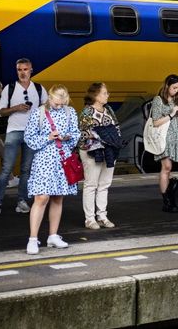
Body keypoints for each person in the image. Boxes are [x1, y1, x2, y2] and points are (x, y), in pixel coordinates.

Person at [23, 84, 80, 255]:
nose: (59, 106)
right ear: (50, 98)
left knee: (58, 197)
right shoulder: (38, 113)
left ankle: (53, 235)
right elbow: (29, 138)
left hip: (62, 158)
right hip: (43, 158)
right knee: (41, 197)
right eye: (56, 104)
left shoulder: (70, 112)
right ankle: (33, 239)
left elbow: (76, 133)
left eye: (62, 104)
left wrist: (68, 138)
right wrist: (48, 137)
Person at [0, 59, 47, 216]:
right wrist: (16, 108)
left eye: (25, 69)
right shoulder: (10, 88)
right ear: (16, 71)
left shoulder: (39, 89)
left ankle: (21, 201)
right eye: (19, 69)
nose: (22, 72)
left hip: (32, 133)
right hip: (14, 131)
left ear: (31, 70)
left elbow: (47, 111)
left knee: (26, 170)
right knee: (7, 168)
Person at [77, 82, 120, 229]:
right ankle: (89, 219)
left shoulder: (108, 109)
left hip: (109, 151)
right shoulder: (87, 112)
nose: (107, 95)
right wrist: (104, 138)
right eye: (104, 93)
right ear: (95, 95)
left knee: (104, 184)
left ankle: (102, 216)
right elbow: (83, 134)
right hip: (92, 152)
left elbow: (117, 127)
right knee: (91, 184)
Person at [150, 74, 178, 209]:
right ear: (167, 86)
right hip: (164, 137)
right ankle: (167, 201)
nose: (176, 90)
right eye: (174, 87)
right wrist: (171, 113)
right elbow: (156, 122)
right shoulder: (158, 100)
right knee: (167, 168)